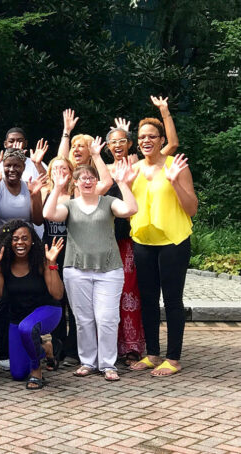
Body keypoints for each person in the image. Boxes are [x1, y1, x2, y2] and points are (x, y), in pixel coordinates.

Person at [43, 160, 138, 381]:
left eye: (91, 177)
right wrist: (57, 187)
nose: (87, 181)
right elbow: (48, 214)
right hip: (76, 270)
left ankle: (107, 364)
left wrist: (123, 183)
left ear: (97, 181)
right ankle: (88, 362)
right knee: (84, 319)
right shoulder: (69, 205)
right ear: (75, 182)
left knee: (107, 318)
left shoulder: (109, 202)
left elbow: (130, 209)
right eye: (82, 178)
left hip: (109, 270)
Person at [129, 97, 195, 377]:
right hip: (143, 241)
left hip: (173, 242)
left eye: (151, 136)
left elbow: (191, 208)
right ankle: (153, 353)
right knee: (147, 298)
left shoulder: (174, 166)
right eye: (142, 137)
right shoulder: (133, 169)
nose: (146, 140)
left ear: (160, 140)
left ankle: (174, 358)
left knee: (172, 300)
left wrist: (173, 183)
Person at [0, 148, 46, 371]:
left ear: (23, 166)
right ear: (2, 166)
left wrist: (36, 196)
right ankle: (2, 352)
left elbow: (37, 218)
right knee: (4, 301)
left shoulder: (29, 187)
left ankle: (36, 345)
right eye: (8, 165)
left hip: (24, 247)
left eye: (17, 165)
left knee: (27, 296)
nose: (12, 169)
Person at [0, 220, 65, 389]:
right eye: (15, 239)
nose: (20, 242)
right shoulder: (4, 264)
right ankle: (47, 349)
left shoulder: (41, 261)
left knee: (27, 328)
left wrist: (52, 263)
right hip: (18, 318)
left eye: (24, 238)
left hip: (48, 311)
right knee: (19, 373)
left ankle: (37, 372)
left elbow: (58, 294)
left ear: (32, 241)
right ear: (9, 242)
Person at [105, 120, 144, 362]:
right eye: (113, 142)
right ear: (107, 146)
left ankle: (131, 347)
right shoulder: (104, 168)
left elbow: (170, 147)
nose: (117, 145)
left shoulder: (138, 165)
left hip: (130, 237)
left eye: (122, 140)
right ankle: (109, 346)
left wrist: (164, 112)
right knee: (110, 293)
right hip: (107, 238)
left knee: (130, 292)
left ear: (130, 143)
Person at [41, 157, 79, 367]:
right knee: (55, 301)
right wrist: (55, 188)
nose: (59, 171)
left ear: (71, 171)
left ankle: (72, 350)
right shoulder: (46, 192)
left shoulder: (77, 193)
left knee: (73, 304)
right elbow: (40, 217)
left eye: (64, 168)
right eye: (55, 168)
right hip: (51, 254)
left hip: (73, 253)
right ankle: (56, 347)